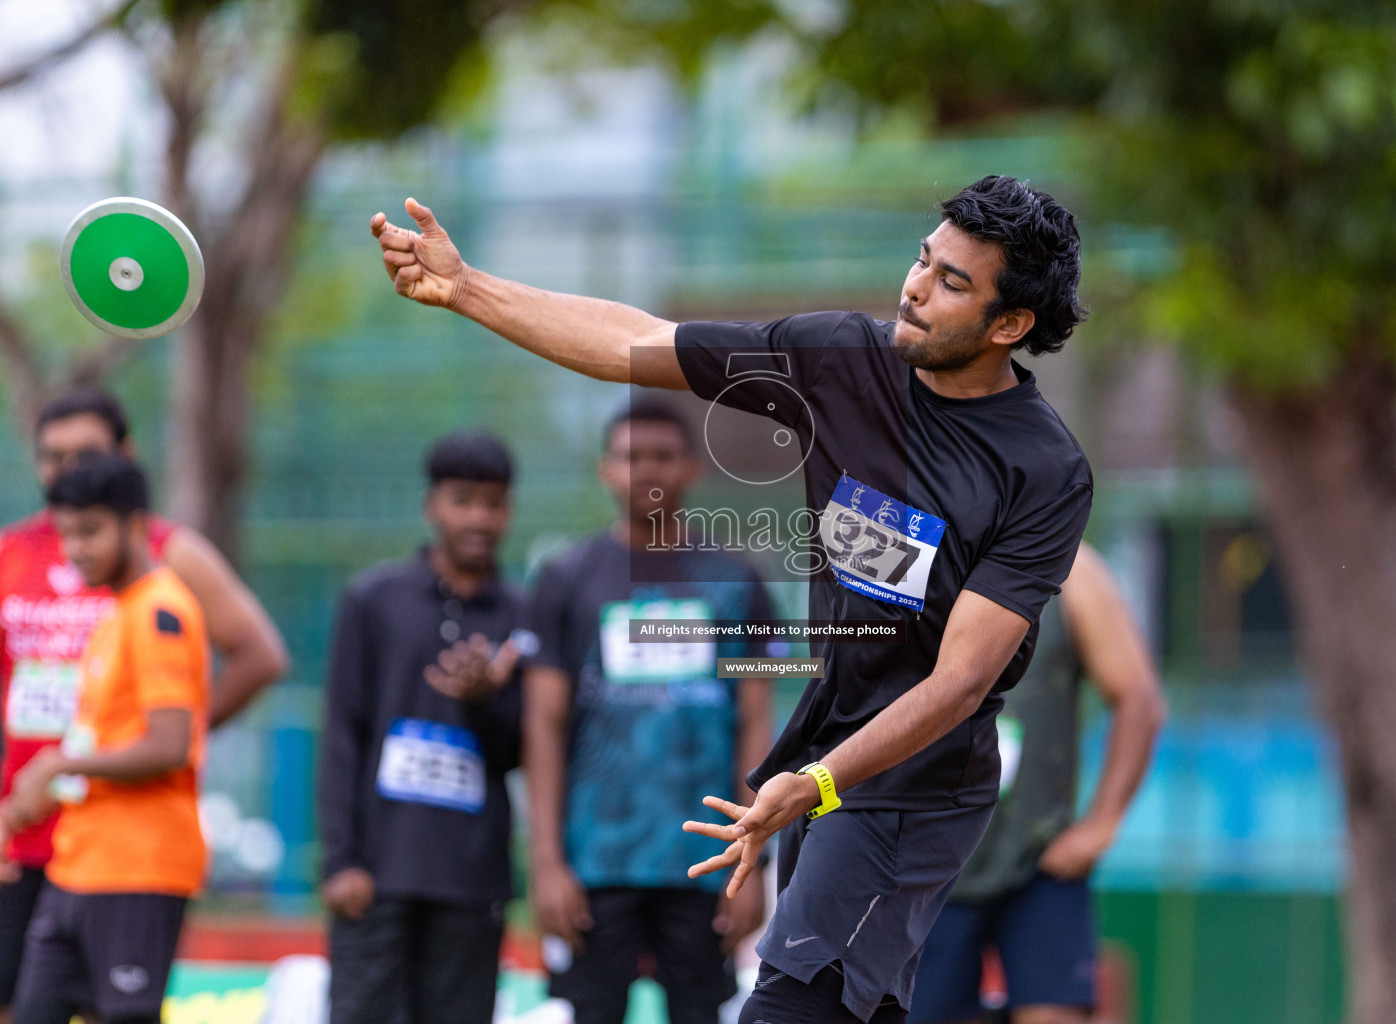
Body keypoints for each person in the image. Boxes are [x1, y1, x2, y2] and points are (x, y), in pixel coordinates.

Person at [371, 172, 1094, 1024]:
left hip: (914, 788)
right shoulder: (842, 359)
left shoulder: (1044, 471)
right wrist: (467, 289)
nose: (915, 286)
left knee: (788, 1006)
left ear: (1010, 325)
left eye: (952, 282)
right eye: (922, 260)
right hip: (828, 760)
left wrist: (820, 783)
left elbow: (961, 681)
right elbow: (637, 341)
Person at [0, 388, 288, 1019]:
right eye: (54, 457)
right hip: (66, 843)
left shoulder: (161, 598)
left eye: (87, 455)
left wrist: (158, 738)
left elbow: (175, 730)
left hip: (133, 856)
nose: (71, 472)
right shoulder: (102, 603)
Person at [515, 400, 775, 1024]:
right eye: (632, 457)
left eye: (663, 456)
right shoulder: (564, 579)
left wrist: (754, 861)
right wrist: (547, 863)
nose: (647, 471)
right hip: (595, 866)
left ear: (691, 468)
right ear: (607, 469)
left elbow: (756, 724)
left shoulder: (738, 582)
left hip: (707, 864)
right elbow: (542, 726)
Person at [319, 431, 530, 1024]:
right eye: (463, 500)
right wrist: (340, 861)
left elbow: (521, 752)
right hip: (375, 879)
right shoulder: (373, 600)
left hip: (471, 883)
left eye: (493, 503)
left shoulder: (521, 617)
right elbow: (341, 735)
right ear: (431, 505)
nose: (479, 518)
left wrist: (485, 699)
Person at [907, 543, 1165, 1024]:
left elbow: (1139, 698)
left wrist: (1102, 824)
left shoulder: (1073, 567)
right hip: (924, 865)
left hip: (1038, 860)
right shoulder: (899, 550)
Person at [0, 454, 210, 1024]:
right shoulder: (116, 615)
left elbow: (169, 744)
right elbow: (102, 740)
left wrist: (57, 763)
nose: (75, 550)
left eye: (91, 531)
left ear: (136, 526)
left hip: (138, 867)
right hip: (78, 864)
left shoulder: (161, 612)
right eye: (67, 533)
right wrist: (23, 805)